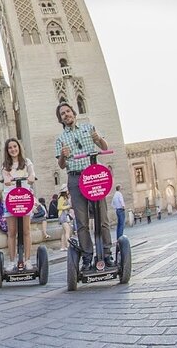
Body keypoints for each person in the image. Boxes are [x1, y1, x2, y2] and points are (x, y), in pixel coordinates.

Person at [55, 102, 113, 271]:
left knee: (102, 218)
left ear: (74, 112)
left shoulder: (89, 128)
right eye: (62, 114)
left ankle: (107, 254)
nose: (66, 115)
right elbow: (61, 165)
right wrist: (64, 157)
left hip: (94, 175)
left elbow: (104, 147)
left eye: (68, 111)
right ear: (61, 119)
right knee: (82, 222)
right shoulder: (60, 139)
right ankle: (87, 257)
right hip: (75, 178)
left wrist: (99, 139)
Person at [1, 138, 36, 272]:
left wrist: (32, 176)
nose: (13, 149)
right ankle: (12, 260)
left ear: (19, 147)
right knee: (12, 232)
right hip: (10, 199)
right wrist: (7, 179)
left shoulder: (27, 162)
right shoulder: (5, 165)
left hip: (24, 198)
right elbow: (5, 176)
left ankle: (27, 260)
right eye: (10, 148)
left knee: (26, 230)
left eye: (15, 146)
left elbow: (32, 173)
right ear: (7, 150)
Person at [57, 185, 72, 251]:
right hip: (63, 215)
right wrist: (68, 206)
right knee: (67, 230)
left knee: (64, 232)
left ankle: (63, 247)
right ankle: (68, 246)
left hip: (65, 215)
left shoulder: (64, 198)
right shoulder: (61, 198)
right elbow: (59, 207)